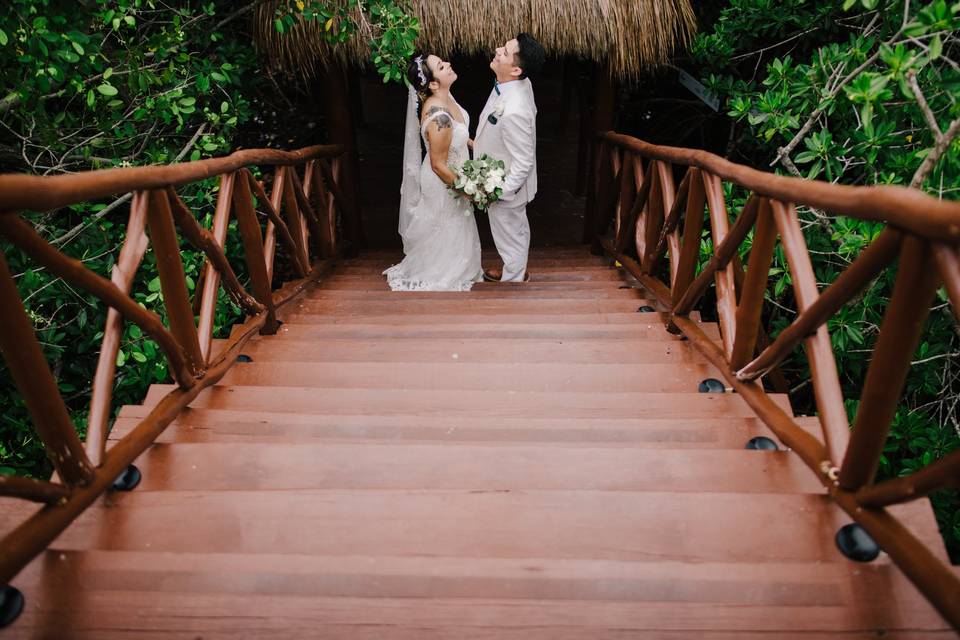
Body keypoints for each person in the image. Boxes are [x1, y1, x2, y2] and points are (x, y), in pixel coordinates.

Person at [383, 52, 483, 291]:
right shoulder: (439, 117)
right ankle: (442, 270)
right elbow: (438, 165)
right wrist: (466, 189)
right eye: (441, 66)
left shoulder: (446, 97)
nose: (448, 64)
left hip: (454, 172)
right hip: (443, 181)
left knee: (457, 226)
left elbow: (459, 134)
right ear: (433, 83)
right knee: (446, 227)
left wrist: (475, 145)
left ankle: (461, 265)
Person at [474, 33, 545, 283]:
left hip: (506, 186)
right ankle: (514, 268)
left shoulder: (515, 110)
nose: (497, 50)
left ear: (515, 69)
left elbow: (524, 161)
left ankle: (514, 284)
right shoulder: (518, 83)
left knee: (510, 234)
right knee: (514, 231)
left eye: (504, 51)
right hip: (499, 174)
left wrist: (500, 192)